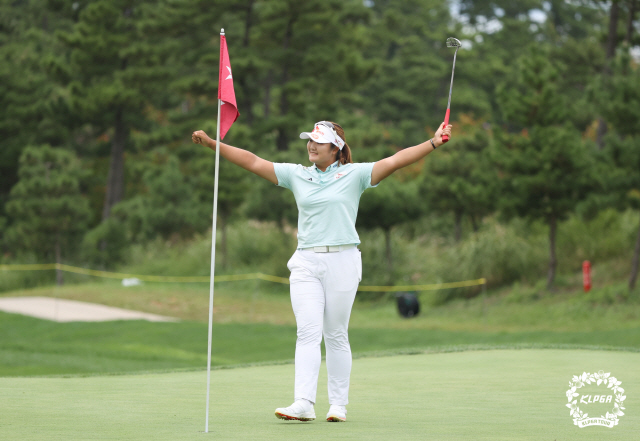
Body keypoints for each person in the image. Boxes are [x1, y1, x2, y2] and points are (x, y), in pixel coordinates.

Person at [192, 120, 452, 422]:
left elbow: (395, 160)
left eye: (318, 141)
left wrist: (433, 143)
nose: (311, 146)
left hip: (343, 261)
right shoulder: (297, 175)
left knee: (336, 334)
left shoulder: (355, 175)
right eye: (309, 140)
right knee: (308, 332)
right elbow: (252, 161)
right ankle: (303, 402)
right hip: (305, 262)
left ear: (336, 148)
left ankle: (338, 405)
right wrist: (213, 144)